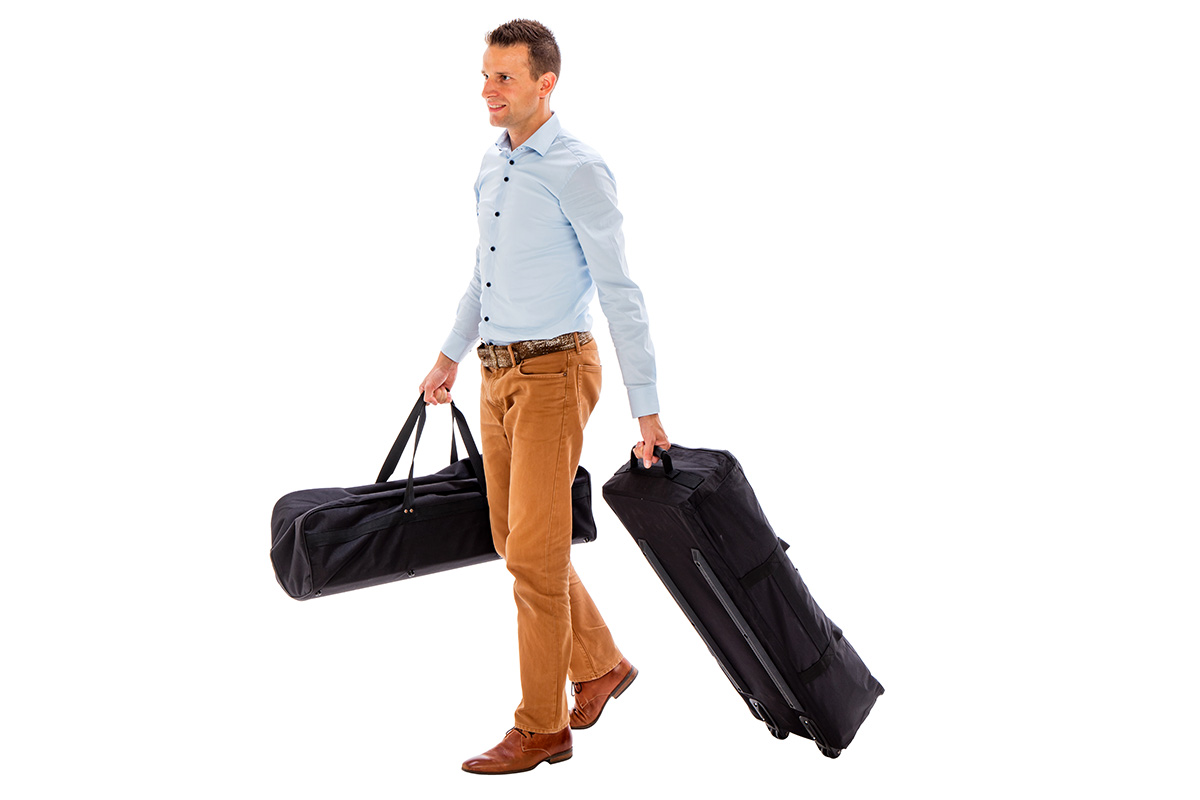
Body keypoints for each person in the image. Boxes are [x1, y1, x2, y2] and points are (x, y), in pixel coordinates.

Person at [418, 19, 669, 775]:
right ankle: (599, 665)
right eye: (485, 75)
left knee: (533, 557)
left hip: (555, 374)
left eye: (504, 77)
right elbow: (483, 274)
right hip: (495, 373)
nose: (487, 91)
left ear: (544, 82)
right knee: (516, 542)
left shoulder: (579, 170)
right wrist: (448, 358)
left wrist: (648, 411)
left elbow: (621, 291)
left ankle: (542, 727)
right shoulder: (491, 166)